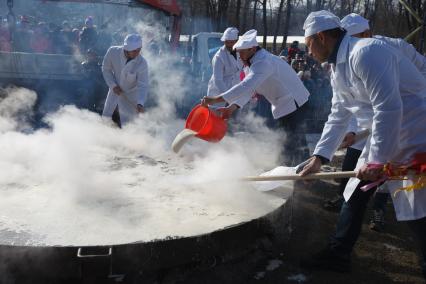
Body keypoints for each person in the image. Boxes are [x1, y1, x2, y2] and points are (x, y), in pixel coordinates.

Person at [299, 10, 426, 278]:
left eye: (308, 44)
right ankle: (338, 254)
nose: (308, 52)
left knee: (416, 208)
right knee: (355, 194)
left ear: (321, 37)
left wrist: (377, 161)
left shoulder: (367, 52)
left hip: (415, 133)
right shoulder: (337, 68)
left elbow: (389, 108)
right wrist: (320, 156)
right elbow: (339, 114)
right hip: (385, 133)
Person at [201, 29, 310, 165]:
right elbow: (248, 90)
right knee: (290, 140)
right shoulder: (250, 64)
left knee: (294, 141)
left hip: (294, 100)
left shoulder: (263, 62)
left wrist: (216, 99)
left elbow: (245, 86)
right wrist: (231, 108)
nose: (239, 56)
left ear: (252, 49)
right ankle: (294, 171)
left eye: (241, 52)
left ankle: (300, 176)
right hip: (283, 102)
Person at [102, 34, 148, 127]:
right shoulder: (113, 52)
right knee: (106, 117)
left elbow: (143, 85)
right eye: (134, 51)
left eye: (139, 50)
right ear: (126, 49)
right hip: (114, 91)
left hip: (131, 95)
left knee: (128, 124)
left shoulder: (142, 63)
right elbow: (106, 69)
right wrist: (113, 85)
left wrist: (140, 103)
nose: (137, 53)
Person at [206, 27, 243, 106]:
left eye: (231, 42)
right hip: (218, 93)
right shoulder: (219, 57)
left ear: (237, 41)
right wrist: (228, 97)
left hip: (234, 92)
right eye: (227, 42)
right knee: (217, 116)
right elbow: (218, 80)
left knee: (235, 117)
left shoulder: (240, 52)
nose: (229, 45)